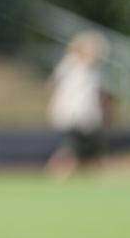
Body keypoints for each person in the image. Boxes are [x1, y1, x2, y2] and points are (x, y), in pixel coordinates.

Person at [46, 30, 114, 178]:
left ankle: (93, 171)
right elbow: (54, 85)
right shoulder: (70, 65)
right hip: (71, 115)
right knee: (72, 147)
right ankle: (58, 171)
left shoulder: (97, 71)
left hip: (88, 117)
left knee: (91, 146)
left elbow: (100, 96)